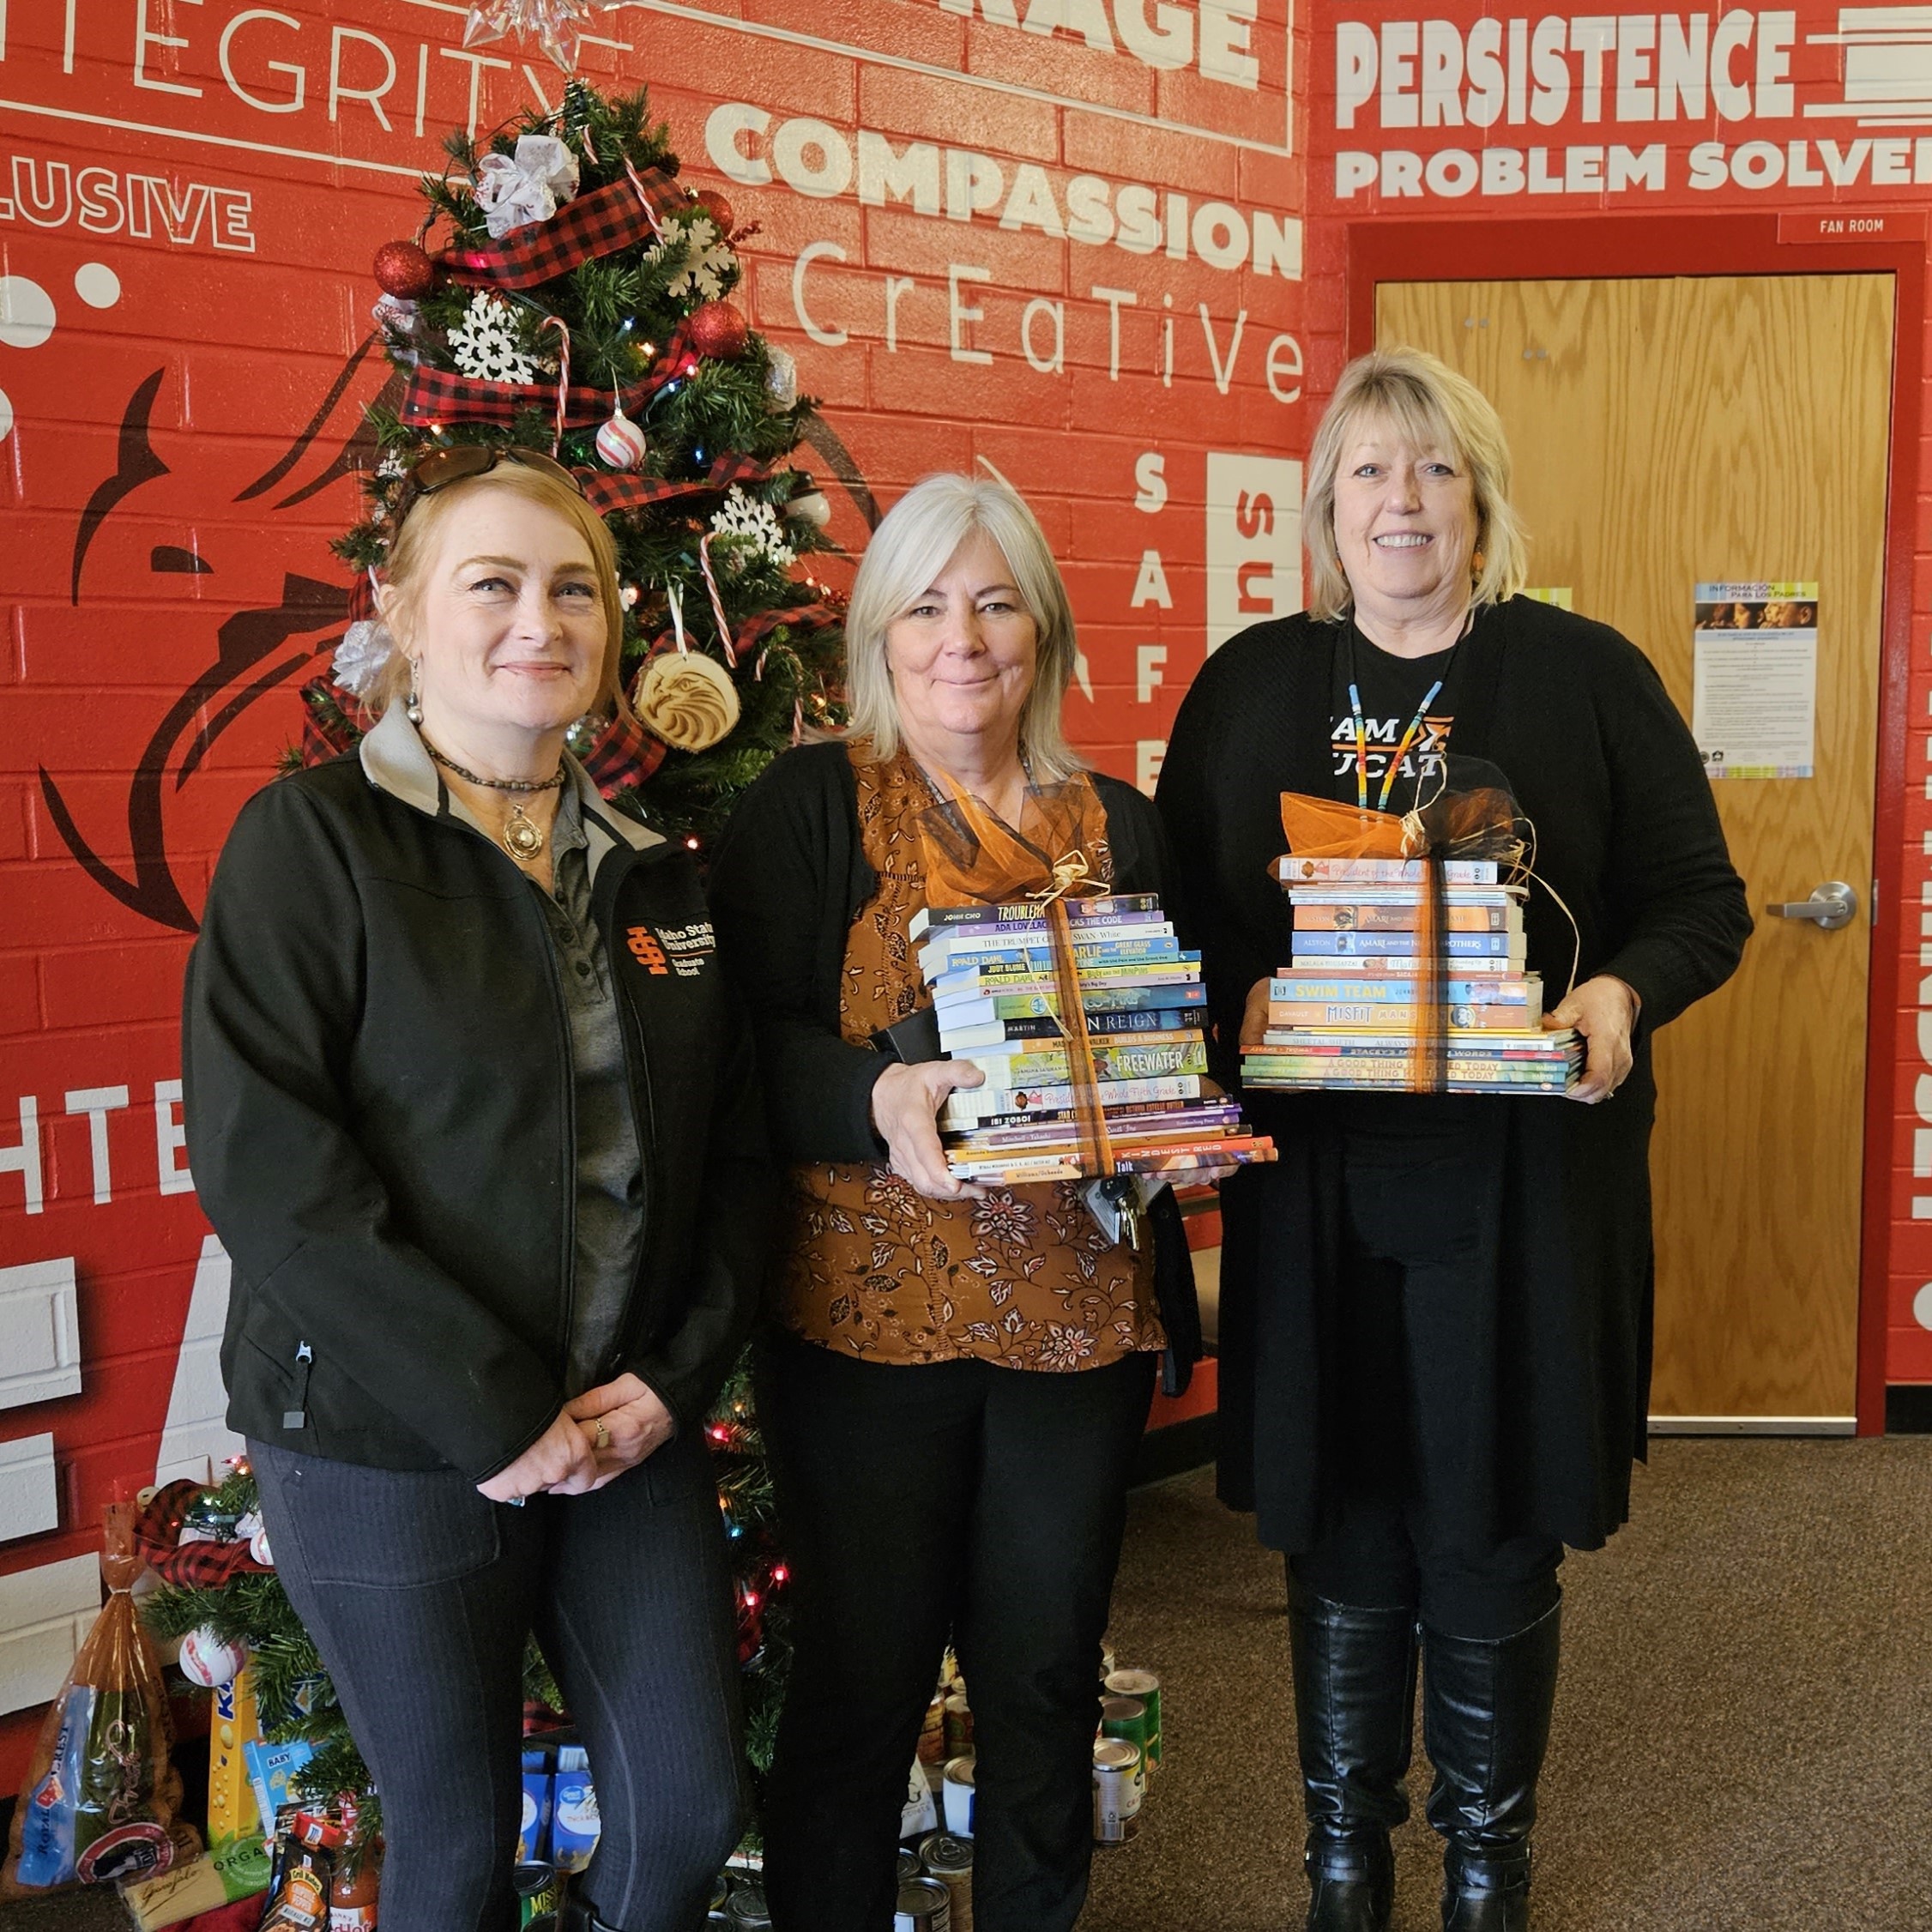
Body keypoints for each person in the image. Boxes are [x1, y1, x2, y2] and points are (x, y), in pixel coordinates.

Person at [1157, 349, 1751, 1932]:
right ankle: (1342, 1872)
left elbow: (1705, 904)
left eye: (1432, 470)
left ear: (1480, 500)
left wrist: (1620, 997)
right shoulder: (1248, 686)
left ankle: (1490, 1874)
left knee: (1487, 1522)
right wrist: (1237, 1016)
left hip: (1524, 1193)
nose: (1400, 502)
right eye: (1367, 471)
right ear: (1324, 509)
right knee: (1344, 1516)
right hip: (1322, 1198)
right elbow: (1186, 930)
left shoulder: (1586, 674)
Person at [183, 448, 770, 1932]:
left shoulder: (657, 872)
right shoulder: (311, 844)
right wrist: (499, 1413)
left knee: (690, 1813)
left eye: (573, 589)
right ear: (402, 610)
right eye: (492, 584)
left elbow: (737, 1167)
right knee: (454, 1848)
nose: (538, 620)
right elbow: (276, 1176)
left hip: (625, 1426)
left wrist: (668, 1381)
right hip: (389, 1437)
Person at [706, 472, 1197, 1932]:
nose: (960, 638)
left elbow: (1166, 1039)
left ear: (1041, 632)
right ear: (879, 633)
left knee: (1046, 1675)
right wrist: (871, 1096)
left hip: (1075, 1328)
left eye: (994, 603)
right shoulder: (804, 810)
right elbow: (740, 1055)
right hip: (864, 1338)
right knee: (862, 1685)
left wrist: (1165, 1126)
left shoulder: (1122, 825)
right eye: (925, 604)